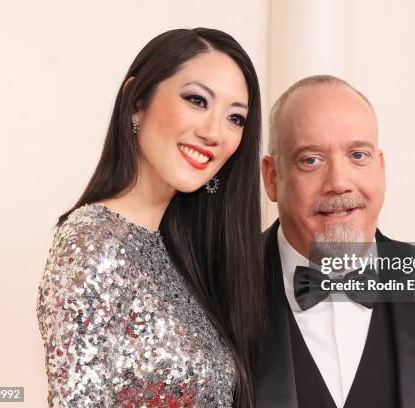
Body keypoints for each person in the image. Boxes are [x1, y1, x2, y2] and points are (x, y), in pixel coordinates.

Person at [37, 28, 264, 408]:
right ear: (136, 102)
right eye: (196, 100)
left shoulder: (184, 253)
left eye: (235, 119)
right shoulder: (94, 241)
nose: (214, 133)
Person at [256, 75, 415, 408]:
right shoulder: (214, 289)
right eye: (311, 160)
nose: (339, 183)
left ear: (380, 168)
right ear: (272, 177)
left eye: (357, 155)